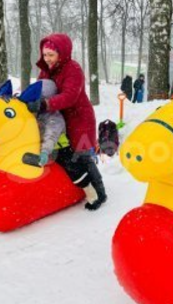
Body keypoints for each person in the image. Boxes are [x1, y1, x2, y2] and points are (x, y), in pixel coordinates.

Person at [28, 33, 107, 211]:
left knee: (83, 156)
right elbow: (40, 89)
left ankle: (100, 193)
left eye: (51, 55)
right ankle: (77, 188)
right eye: (45, 54)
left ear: (61, 53)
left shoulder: (73, 69)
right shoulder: (46, 70)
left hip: (80, 119)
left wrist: (44, 104)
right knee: (68, 158)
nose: (47, 59)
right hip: (57, 118)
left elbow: (70, 96)